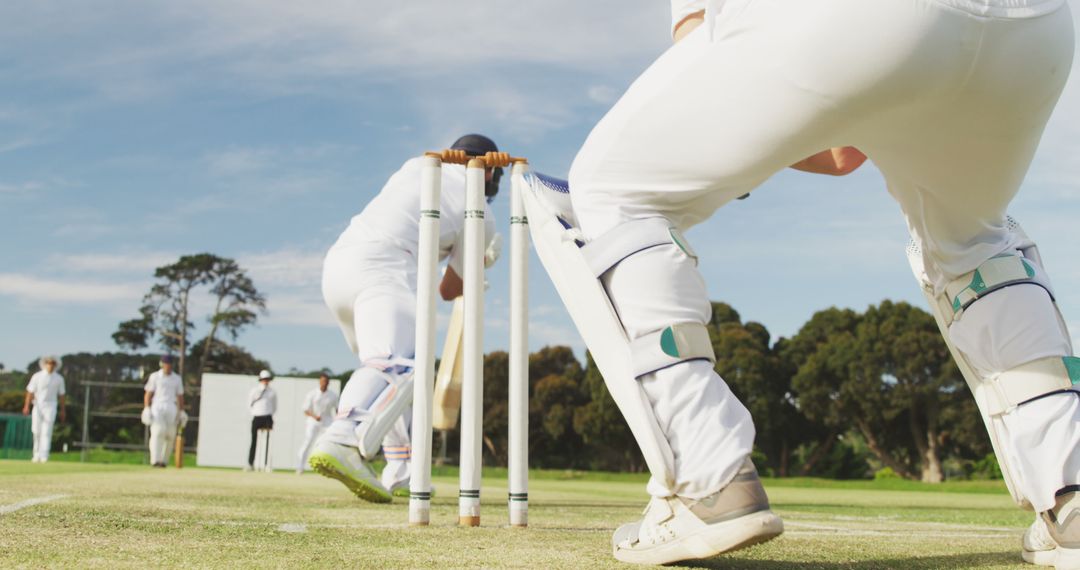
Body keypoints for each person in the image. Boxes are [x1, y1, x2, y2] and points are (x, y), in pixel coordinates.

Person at [521, 0, 1076, 565]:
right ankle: (1071, 496)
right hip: (1036, 32)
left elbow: (709, 51)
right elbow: (844, 151)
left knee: (610, 190)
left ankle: (710, 477)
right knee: (973, 243)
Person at [309, 134, 502, 502]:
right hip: (387, 268)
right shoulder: (482, 211)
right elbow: (449, 289)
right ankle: (343, 437)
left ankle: (402, 468)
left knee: (384, 372)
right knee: (402, 366)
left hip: (339, 266)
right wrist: (481, 261)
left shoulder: (417, 166)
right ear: (490, 169)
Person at [141, 354, 185, 468]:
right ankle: (155, 460)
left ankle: (164, 461)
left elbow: (180, 396)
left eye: (169, 364)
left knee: (170, 434)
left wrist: (182, 411)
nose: (168, 366)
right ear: (162, 364)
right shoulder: (155, 376)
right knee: (158, 432)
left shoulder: (177, 378)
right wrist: (147, 408)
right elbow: (148, 393)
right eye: (166, 364)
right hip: (157, 406)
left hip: (171, 407)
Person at [22, 356, 65, 463]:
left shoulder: (59, 379)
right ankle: (36, 454)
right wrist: (27, 405)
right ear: (45, 364)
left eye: (52, 363)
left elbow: (62, 395)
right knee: (36, 430)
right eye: (48, 363)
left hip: (51, 406)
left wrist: (63, 410)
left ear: (55, 365)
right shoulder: (37, 376)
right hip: (37, 405)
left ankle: (44, 455)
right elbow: (30, 391)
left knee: (47, 431)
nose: (50, 365)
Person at [296, 373, 339, 474]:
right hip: (313, 422)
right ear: (319, 382)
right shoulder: (312, 394)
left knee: (329, 443)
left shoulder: (333, 395)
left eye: (326, 381)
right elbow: (306, 410)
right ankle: (300, 467)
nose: (324, 383)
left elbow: (337, 410)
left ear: (328, 383)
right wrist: (315, 416)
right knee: (308, 442)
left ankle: (327, 468)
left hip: (327, 422)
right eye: (322, 381)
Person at [246, 369, 277, 471]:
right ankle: (250, 464)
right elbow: (249, 404)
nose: (265, 381)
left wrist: (269, 414)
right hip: (257, 417)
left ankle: (266, 464)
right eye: (264, 379)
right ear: (260, 379)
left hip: (267, 417)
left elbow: (274, 406)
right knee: (254, 441)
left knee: (268, 442)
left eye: (267, 379)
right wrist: (255, 413)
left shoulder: (272, 392)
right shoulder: (254, 391)